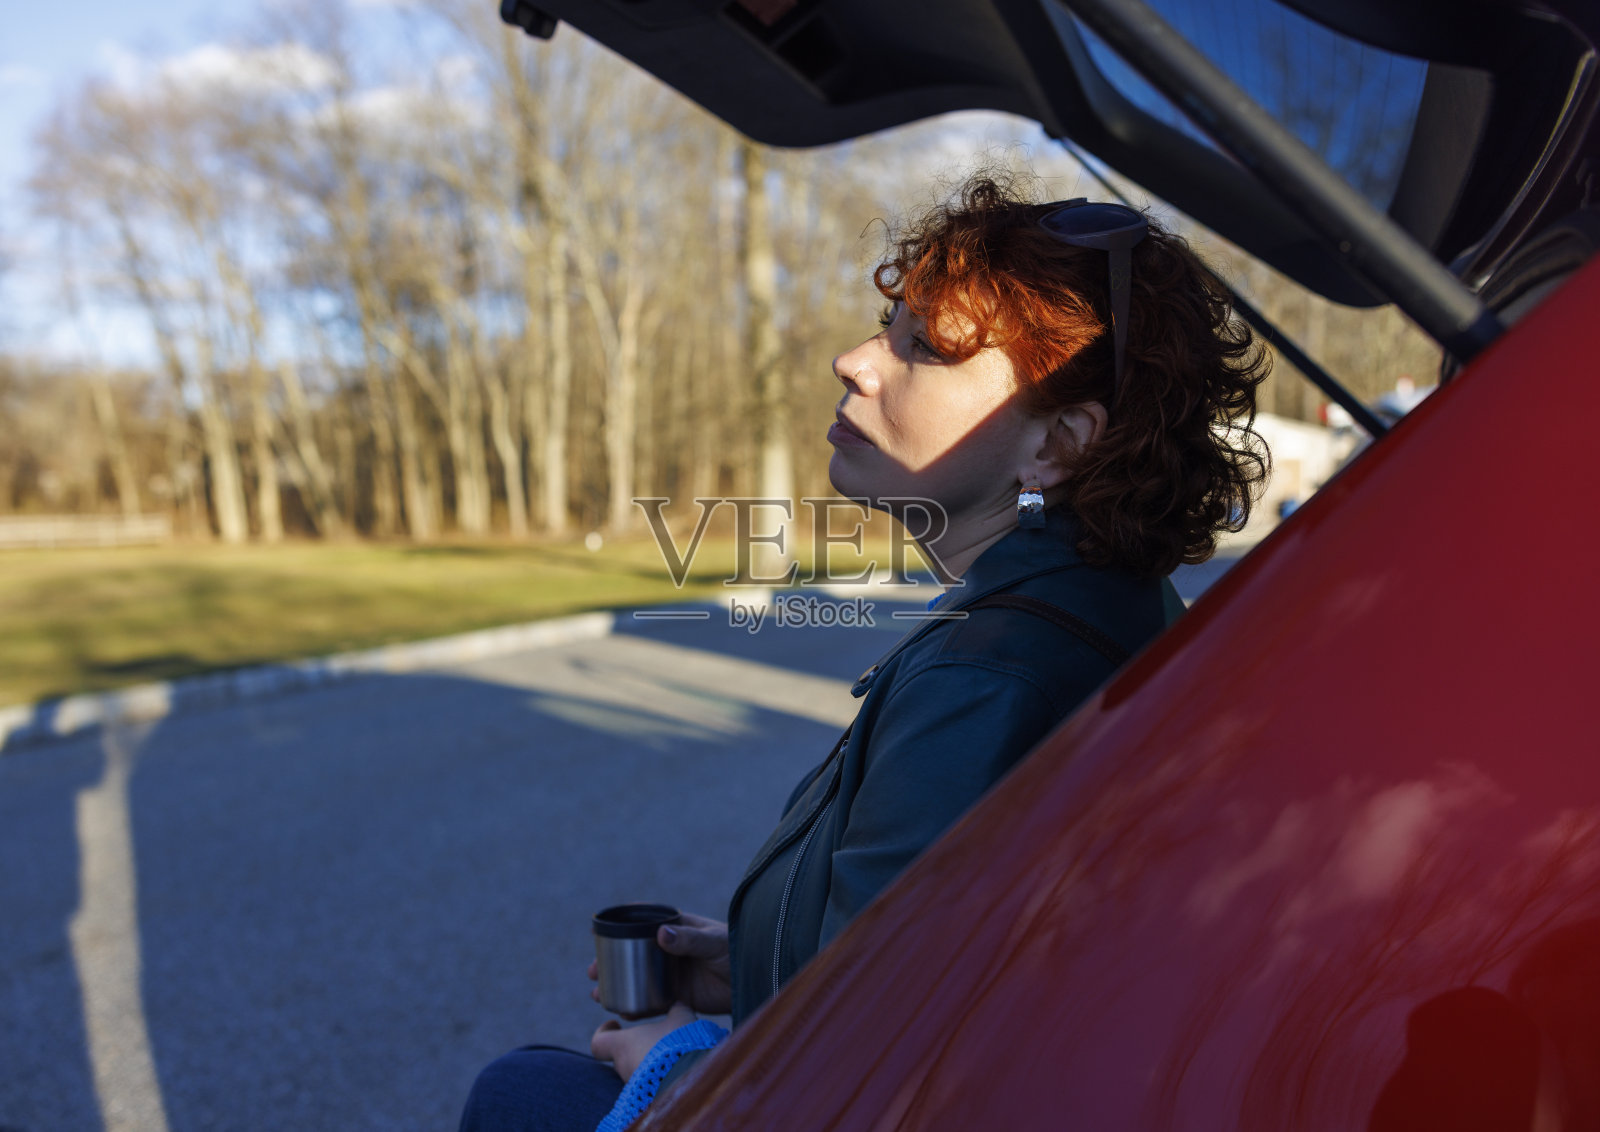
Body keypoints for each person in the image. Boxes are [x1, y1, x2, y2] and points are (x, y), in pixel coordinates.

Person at [457, 173, 1269, 1131]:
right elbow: (961, 964)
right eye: (889, 327)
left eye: (921, 348)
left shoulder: (996, 674)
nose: (854, 361)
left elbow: (865, 1078)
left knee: (519, 1095)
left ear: (1058, 446)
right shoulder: (1098, 603)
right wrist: (764, 958)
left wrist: (674, 1073)